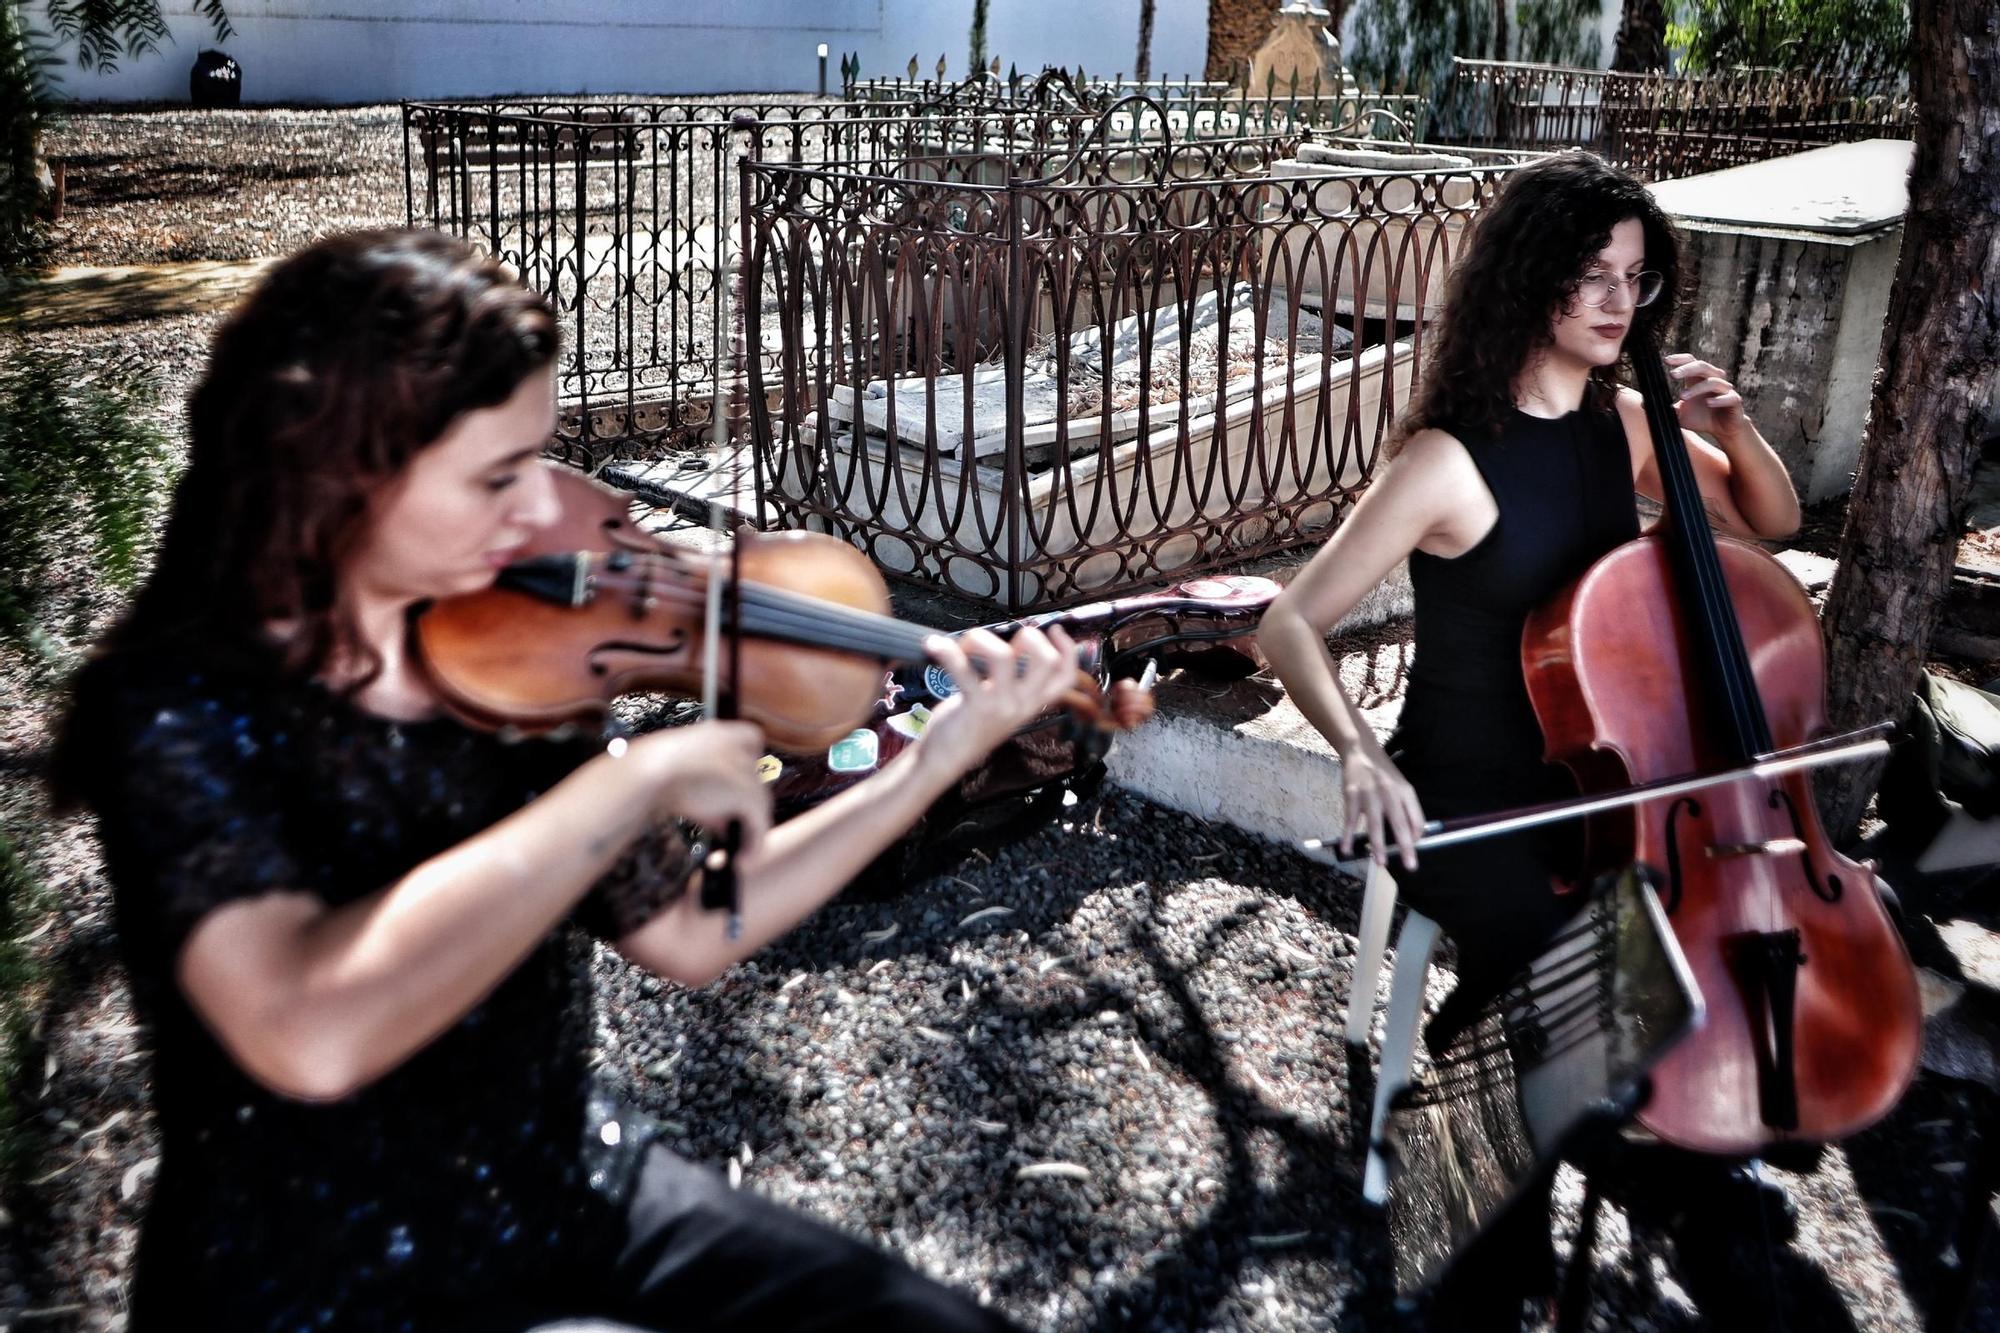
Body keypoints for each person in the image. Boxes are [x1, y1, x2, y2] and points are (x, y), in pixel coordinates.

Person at [51, 228, 1076, 1332]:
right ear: (350, 465)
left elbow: (693, 931)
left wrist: (936, 757)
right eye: (497, 475)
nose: (540, 511)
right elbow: (305, 1028)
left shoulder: (509, 655)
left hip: (568, 1184)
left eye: (539, 459)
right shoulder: (180, 706)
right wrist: (623, 788)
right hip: (322, 1276)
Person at [1256, 151, 1803, 1327]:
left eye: (1635, 278)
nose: (1617, 301)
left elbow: (1772, 516)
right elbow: (1285, 624)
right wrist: (1357, 751)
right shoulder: (1449, 459)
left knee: (1608, 953)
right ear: (1525, 280)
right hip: (1460, 789)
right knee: (1592, 960)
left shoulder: (1622, 426)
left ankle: (1502, 1173)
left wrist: (1732, 423)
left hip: (1598, 778)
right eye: (1589, 274)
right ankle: (1539, 1210)